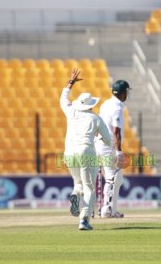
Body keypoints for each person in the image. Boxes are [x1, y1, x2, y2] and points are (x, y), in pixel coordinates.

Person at [60, 68, 111, 230]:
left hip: (69, 153)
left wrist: (70, 82)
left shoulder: (71, 112)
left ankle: (75, 195)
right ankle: (84, 219)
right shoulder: (95, 118)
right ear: (91, 105)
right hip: (86, 152)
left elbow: (62, 99)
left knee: (78, 183)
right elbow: (109, 140)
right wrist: (100, 137)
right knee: (89, 187)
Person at [95, 80, 131, 218]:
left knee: (115, 177)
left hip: (100, 143)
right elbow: (116, 131)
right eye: (126, 92)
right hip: (107, 145)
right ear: (122, 94)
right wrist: (119, 151)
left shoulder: (106, 103)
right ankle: (107, 210)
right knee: (112, 177)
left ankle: (109, 209)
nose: (127, 94)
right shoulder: (117, 108)